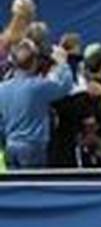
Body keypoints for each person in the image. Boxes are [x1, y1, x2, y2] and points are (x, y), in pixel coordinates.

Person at [0, 38, 74, 168]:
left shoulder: (2, 88)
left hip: (10, 145)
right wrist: (63, 63)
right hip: (33, 146)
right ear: (34, 62)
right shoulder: (38, 87)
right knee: (32, 185)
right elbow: (65, 86)